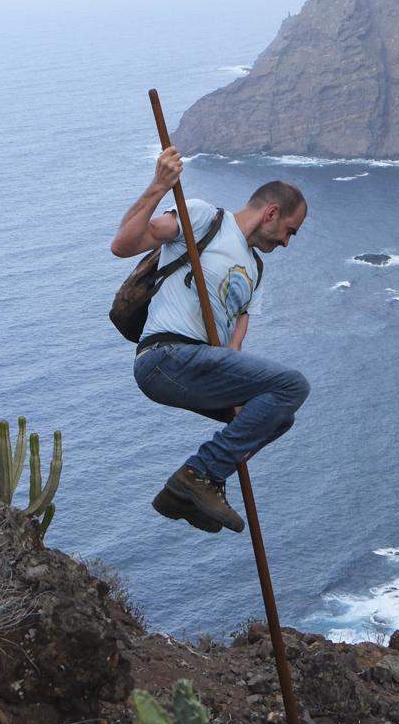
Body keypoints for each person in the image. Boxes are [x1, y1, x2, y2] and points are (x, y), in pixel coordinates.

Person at [110, 147, 309, 533]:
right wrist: (159, 185)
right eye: (289, 231)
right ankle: (199, 473)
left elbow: (233, 349)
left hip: (200, 365)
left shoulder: (256, 271)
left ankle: (190, 490)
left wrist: (243, 401)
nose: (287, 242)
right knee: (292, 385)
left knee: (280, 415)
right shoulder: (203, 218)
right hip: (164, 356)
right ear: (271, 213)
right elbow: (124, 244)